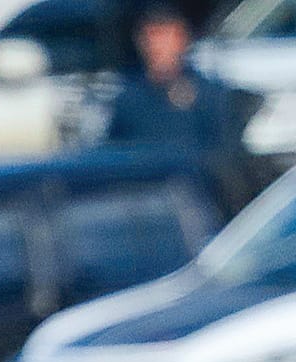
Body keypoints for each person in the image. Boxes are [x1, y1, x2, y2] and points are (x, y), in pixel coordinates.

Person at [103, 4, 258, 215]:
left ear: (181, 39)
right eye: (150, 37)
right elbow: (114, 161)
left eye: (164, 36)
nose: (156, 46)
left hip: (204, 208)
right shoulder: (128, 100)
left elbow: (228, 160)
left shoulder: (210, 96)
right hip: (145, 209)